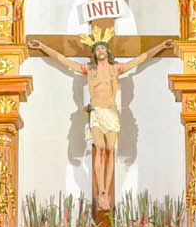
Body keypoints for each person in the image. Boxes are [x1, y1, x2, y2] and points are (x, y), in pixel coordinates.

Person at [30, 30, 171, 213]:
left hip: (111, 112)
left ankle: (105, 191)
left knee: (111, 150)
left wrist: (160, 47)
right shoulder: (89, 70)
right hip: (96, 111)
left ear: (108, 52)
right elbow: (65, 61)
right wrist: (43, 47)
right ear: (94, 54)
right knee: (100, 149)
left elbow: (140, 60)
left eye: (104, 48)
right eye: (98, 49)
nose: (101, 51)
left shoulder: (116, 69)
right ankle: (101, 191)